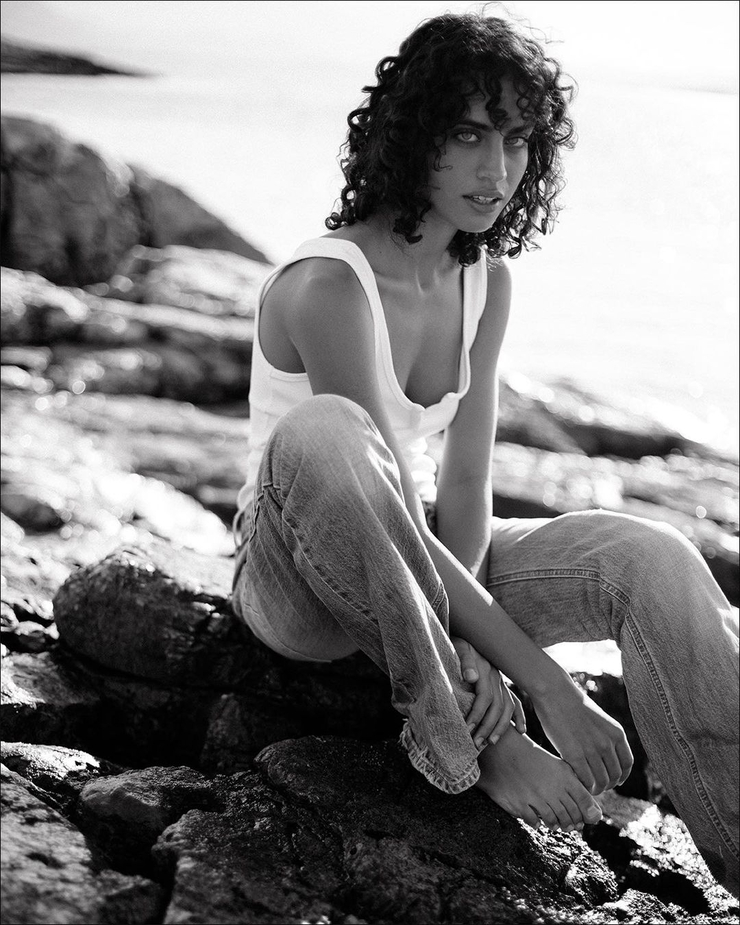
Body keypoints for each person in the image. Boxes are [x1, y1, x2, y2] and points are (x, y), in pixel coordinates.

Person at [231, 9, 739, 896]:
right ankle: (474, 743)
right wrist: (539, 687)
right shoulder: (327, 285)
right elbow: (381, 504)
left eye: (516, 139)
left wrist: (479, 646)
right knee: (330, 432)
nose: (496, 169)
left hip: (424, 551)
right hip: (297, 577)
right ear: (411, 136)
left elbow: (463, 486)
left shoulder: (485, 281)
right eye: (468, 134)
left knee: (653, 557)